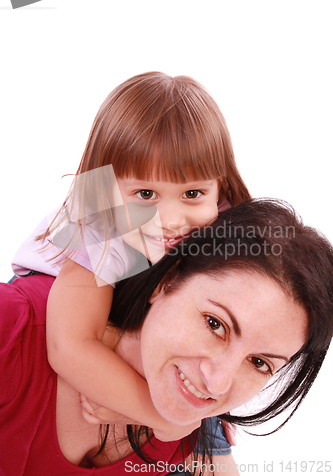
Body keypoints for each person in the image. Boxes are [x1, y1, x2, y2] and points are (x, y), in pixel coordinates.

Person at [2, 200, 332, 476]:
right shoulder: (14, 327)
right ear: (167, 280)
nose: (217, 383)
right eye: (215, 324)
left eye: (259, 362)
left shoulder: (184, 427)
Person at [10, 72, 250, 441]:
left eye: (192, 195)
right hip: (54, 294)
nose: (170, 222)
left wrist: (212, 409)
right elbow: (69, 346)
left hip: (136, 293)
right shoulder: (99, 225)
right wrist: (161, 416)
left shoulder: (221, 220)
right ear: (106, 186)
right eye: (145, 194)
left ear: (219, 185)